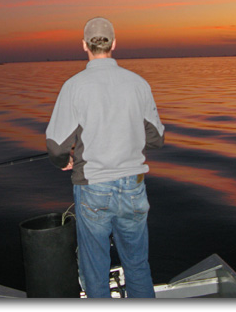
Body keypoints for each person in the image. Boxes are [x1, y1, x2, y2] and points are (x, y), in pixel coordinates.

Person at [46, 16, 165, 298]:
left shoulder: (74, 86)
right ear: (114, 43)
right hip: (133, 188)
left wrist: (64, 161)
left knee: (94, 269)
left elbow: (55, 145)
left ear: (84, 45)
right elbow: (157, 139)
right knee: (137, 265)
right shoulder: (139, 84)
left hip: (93, 190)